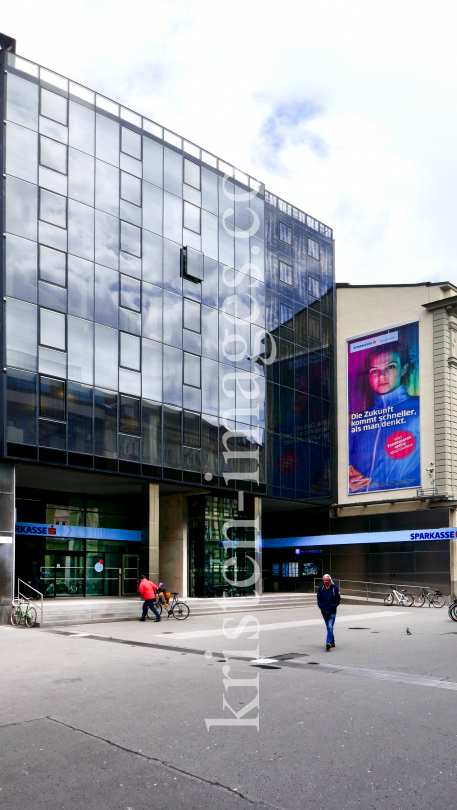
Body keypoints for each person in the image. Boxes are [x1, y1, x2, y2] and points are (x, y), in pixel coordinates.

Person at [348, 343, 420, 494]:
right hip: (358, 506)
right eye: (374, 371)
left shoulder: (420, 408)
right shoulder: (358, 421)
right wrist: (346, 478)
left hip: (408, 503)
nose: (381, 376)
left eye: (390, 367)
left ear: (404, 369)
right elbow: (341, 464)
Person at [317, 574, 340, 651]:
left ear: (329, 580)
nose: (325, 581)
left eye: (327, 580)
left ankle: (328, 643)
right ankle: (332, 642)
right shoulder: (321, 588)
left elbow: (338, 599)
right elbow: (318, 597)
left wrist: (334, 606)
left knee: (330, 627)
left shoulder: (334, 588)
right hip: (324, 611)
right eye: (324, 580)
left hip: (332, 611)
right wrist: (320, 605)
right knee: (329, 628)